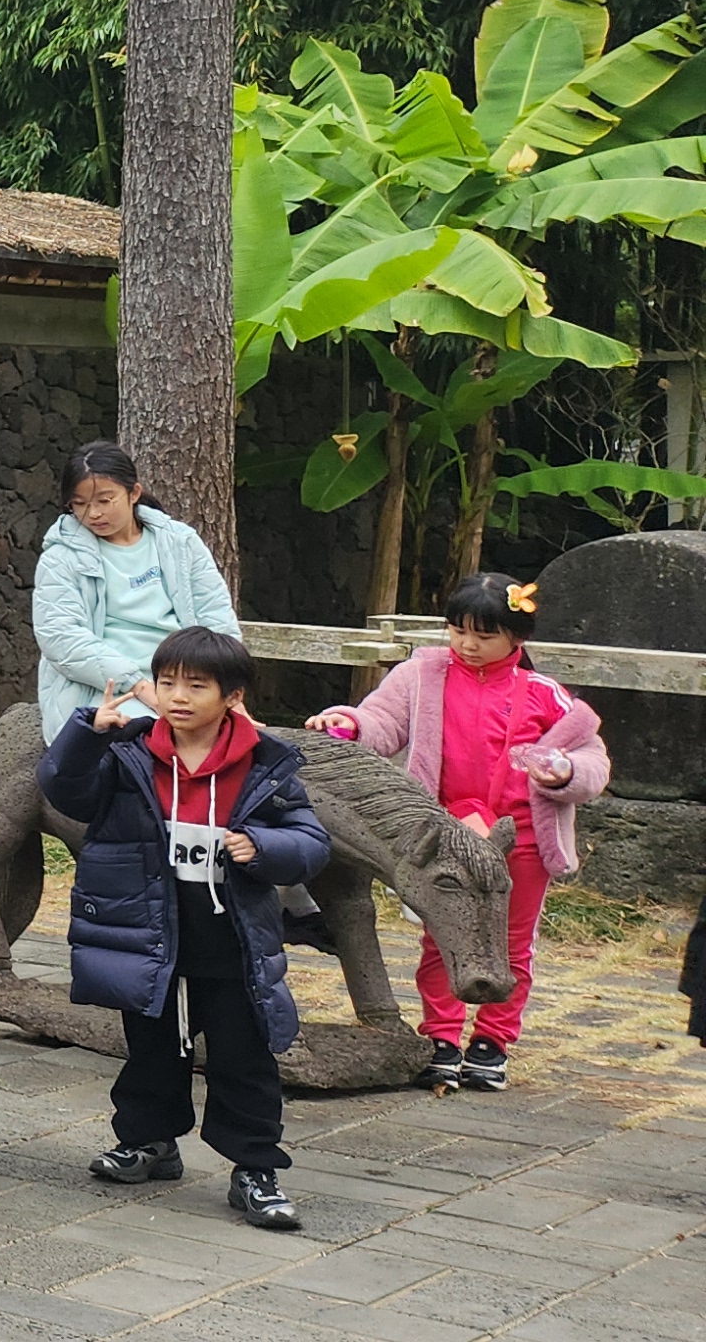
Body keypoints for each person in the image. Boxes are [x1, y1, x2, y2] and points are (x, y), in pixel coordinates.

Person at [46, 627, 328, 1230]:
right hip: (147, 930)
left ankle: (254, 1167)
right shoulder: (127, 751)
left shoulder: (265, 761)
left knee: (243, 1054)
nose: (177, 696)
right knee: (150, 1046)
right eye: (167, 681)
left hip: (233, 939)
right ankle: (149, 1143)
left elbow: (310, 840)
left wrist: (262, 845)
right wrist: (83, 736)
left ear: (231, 695)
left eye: (196, 685)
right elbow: (66, 793)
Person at [314, 572, 612, 1091]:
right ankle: (442, 1037)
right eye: (457, 632)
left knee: (512, 942)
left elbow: (592, 758)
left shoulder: (545, 695)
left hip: (517, 839)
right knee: (442, 935)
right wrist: (348, 728)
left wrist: (564, 771)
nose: (467, 646)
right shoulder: (421, 676)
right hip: (447, 834)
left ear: (516, 638)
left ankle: (492, 1041)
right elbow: (381, 722)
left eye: (483, 635)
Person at [35, 441, 241, 739]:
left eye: (105, 501)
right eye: (79, 504)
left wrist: (228, 686)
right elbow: (60, 637)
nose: (93, 514)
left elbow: (216, 615)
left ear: (134, 493)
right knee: (144, 741)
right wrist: (138, 685)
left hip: (186, 681)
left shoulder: (180, 542)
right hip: (104, 687)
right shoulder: (61, 557)